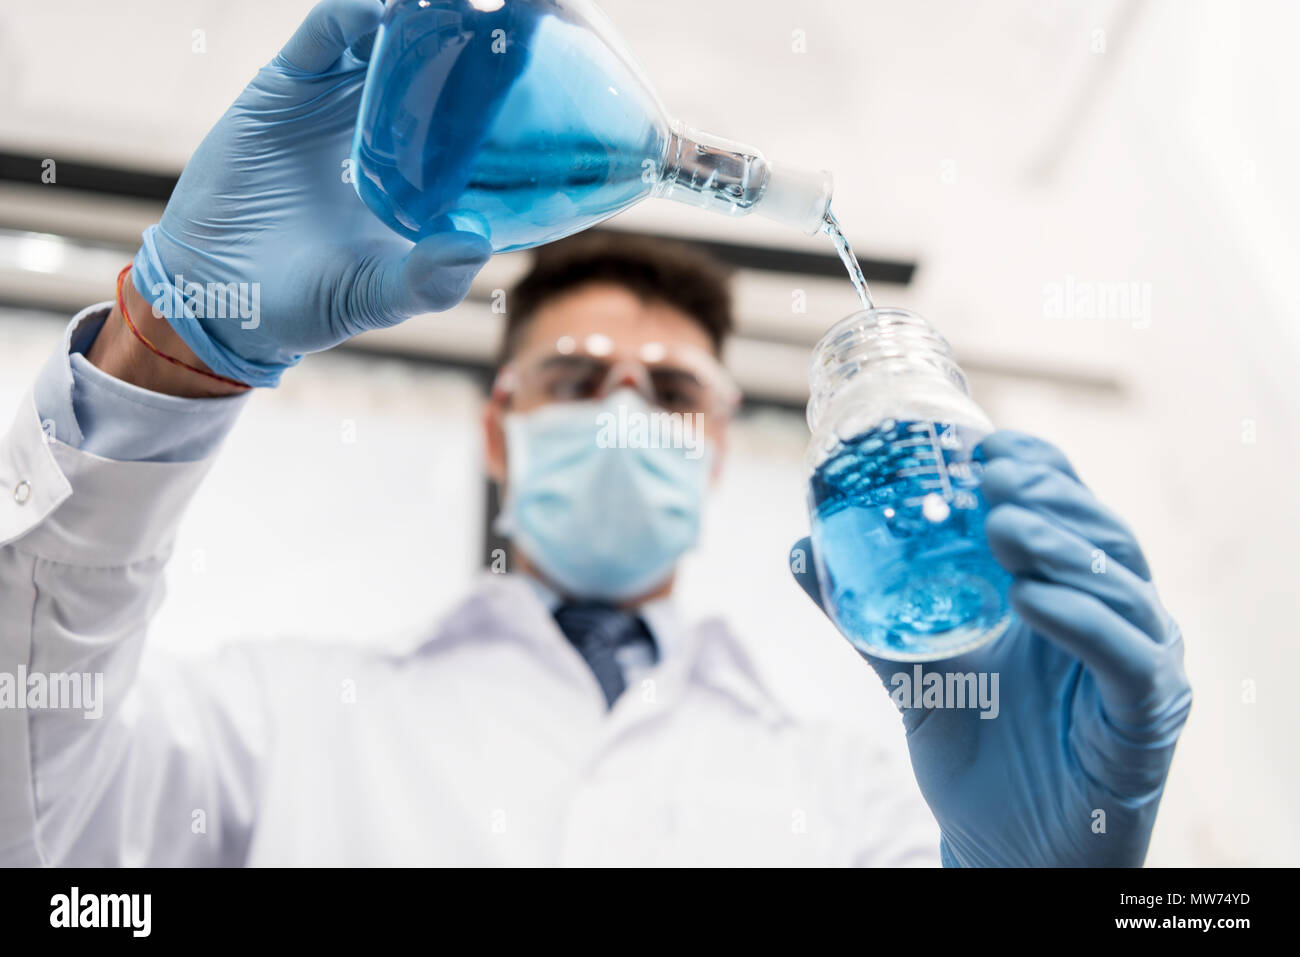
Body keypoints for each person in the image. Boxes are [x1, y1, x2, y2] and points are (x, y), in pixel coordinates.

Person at [0, 0, 1190, 867]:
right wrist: (169, 350)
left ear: (721, 442)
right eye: (576, 379)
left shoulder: (857, 793)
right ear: (497, 429)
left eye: (669, 392)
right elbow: (31, 829)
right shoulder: (276, 718)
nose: (625, 416)